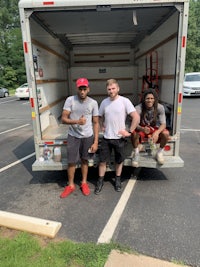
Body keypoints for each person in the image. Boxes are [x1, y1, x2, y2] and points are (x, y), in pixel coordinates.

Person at [94, 79, 140, 194]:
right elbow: (99, 116)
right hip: (106, 137)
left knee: (119, 161)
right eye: (109, 89)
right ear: (107, 90)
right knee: (102, 161)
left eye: (113, 88)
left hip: (120, 138)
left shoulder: (125, 101)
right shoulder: (104, 102)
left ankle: (118, 180)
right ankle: (100, 181)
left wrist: (129, 131)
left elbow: (136, 117)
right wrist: (101, 126)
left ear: (118, 89)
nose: (111, 91)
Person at [60, 78, 99, 198]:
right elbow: (63, 119)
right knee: (71, 161)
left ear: (88, 89)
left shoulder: (93, 103)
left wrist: (96, 141)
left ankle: (84, 183)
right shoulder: (70, 100)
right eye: (80, 89)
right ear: (77, 89)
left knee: (84, 160)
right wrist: (77, 121)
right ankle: (71, 185)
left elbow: (96, 122)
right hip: (73, 135)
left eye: (84, 89)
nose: (82, 91)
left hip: (87, 136)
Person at [131, 88, 169, 167]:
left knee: (166, 133)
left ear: (155, 99)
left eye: (152, 98)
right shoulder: (138, 108)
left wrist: (157, 133)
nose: (150, 100)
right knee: (133, 133)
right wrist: (142, 129)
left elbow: (163, 124)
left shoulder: (160, 107)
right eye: (147, 98)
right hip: (142, 127)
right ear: (144, 99)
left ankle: (159, 152)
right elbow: (134, 124)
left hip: (154, 128)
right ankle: (136, 153)